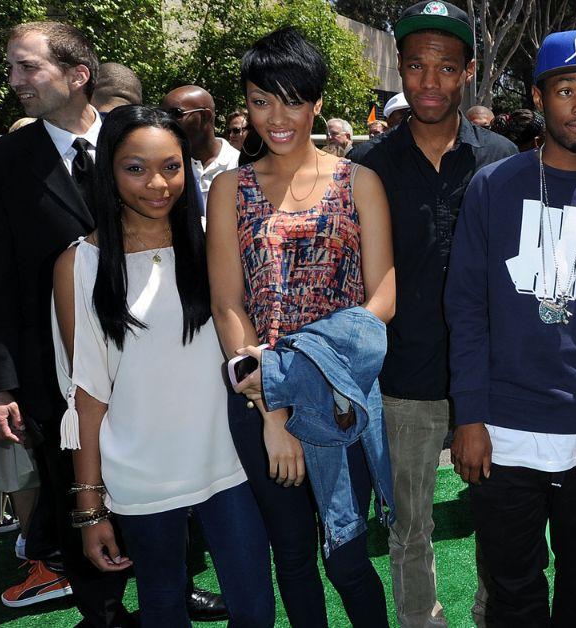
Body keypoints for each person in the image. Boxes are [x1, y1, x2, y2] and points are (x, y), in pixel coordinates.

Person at [445, 29, 576, 626]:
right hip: (502, 430)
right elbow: (467, 309)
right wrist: (470, 416)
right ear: (539, 98)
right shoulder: (493, 186)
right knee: (514, 590)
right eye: (566, 89)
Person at [51, 104, 274, 627]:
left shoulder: (214, 236)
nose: (157, 183)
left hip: (230, 460)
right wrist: (90, 510)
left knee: (255, 605)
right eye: (135, 168)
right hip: (140, 473)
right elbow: (87, 396)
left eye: (171, 167)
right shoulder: (79, 265)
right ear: (108, 169)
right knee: (164, 603)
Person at [206, 26, 396, 626]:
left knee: (346, 555)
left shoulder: (357, 181)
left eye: (292, 99)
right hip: (260, 400)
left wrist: (309, 370)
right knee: (291, 555)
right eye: (261, 100)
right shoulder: (229, 190)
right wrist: (273, 412)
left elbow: (383, 295)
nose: (277, 117)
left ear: (317, 101)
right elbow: (227, 304)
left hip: (340, 395)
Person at [350, 3, 517, 625]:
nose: (428, 81)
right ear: (400, 68)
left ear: (467, 72)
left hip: (495, 381)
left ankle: (490, 614)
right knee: (408, 526)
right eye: (416, 65)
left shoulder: (503, 158)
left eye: (445, 68)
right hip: (404, 381)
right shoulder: (367, 165)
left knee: (498, 520)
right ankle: (421, 620)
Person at [0, 21, 133, 623]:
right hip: (55, 372)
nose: (14, 80)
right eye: (12, 68)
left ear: (78, 76)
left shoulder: (140, 137)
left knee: (161, 483)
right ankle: (102, 612)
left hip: (150, 357)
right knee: (77, 491)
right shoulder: (0, 162)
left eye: (28, 68)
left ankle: (166, 585)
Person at [162, 85, 240, 211]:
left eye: (176, 114)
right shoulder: (165, 167)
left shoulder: (239, 166)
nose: (166, 122)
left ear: (205, 116)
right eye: (163, 115)